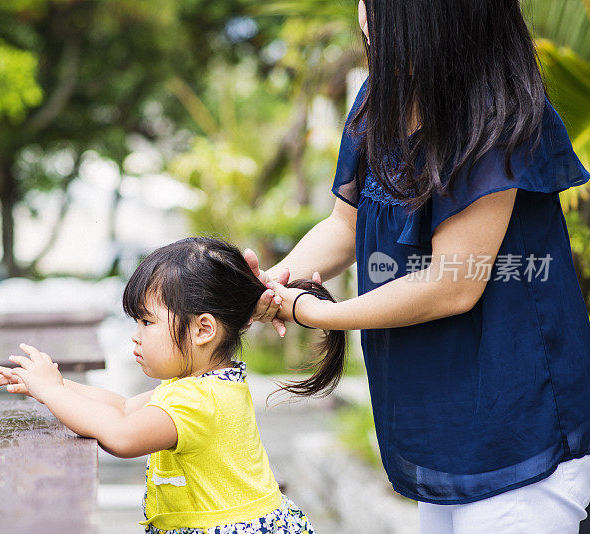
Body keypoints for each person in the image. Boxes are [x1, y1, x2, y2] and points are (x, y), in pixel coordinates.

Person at [247, 1, 590, 532]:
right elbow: (344, 226)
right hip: (442, 423)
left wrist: (313, 313)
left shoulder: (499, 114)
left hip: (517, 425)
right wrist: (265, 288)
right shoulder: (377, 103)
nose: (361, 13)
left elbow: (453, 285)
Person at [0, 237, 341, 534]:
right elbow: (121, 408)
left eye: (146, 322)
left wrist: (52, 392)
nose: (135, 338)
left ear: (203, 329)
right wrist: (51, 384)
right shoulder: (204, 383)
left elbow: (122, 435)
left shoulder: (198, 399)